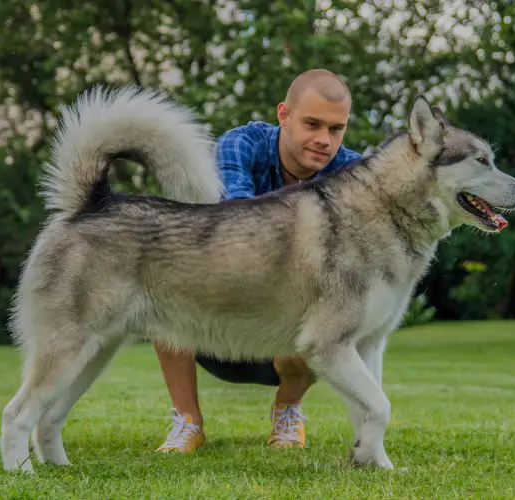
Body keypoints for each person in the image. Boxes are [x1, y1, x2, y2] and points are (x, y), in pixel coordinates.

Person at [153, 69, 363, 453]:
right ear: (283, 114)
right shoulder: (241, 144)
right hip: (216, 322)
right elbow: (243, 228)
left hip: (289, 337)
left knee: (323, 313)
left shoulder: (352, 172)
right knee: (163, 291)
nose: (324, 140)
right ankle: (188, 422)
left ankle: (288, 409)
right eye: (312, 123)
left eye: (337, 129)